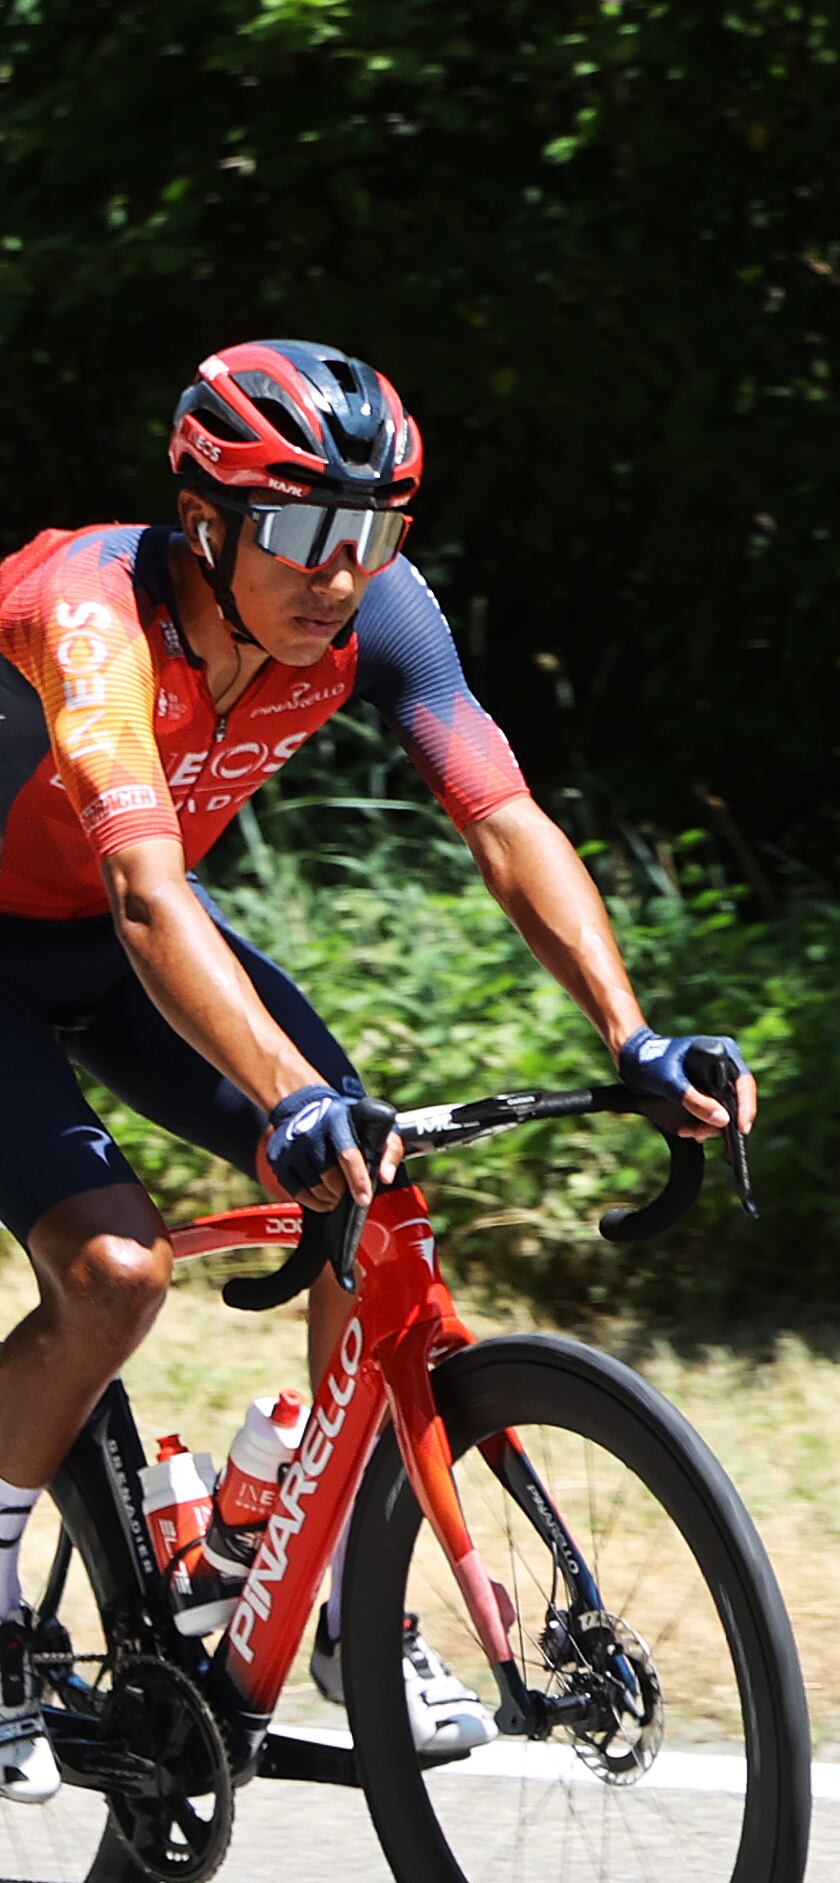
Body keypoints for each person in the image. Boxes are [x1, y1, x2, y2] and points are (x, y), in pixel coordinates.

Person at [0, 341, 751, 1805]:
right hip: (65, 928)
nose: (340, 569)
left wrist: (633, 1034)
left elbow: (503, 816)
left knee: (372, 1184)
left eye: (373, 527)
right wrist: (287, 1094)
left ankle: (351, 1603)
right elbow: (148, 892)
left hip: (107, 930)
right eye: (300, 528)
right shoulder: (89, 612)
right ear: (203, 522)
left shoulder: (377, 609)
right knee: (115, 1274)